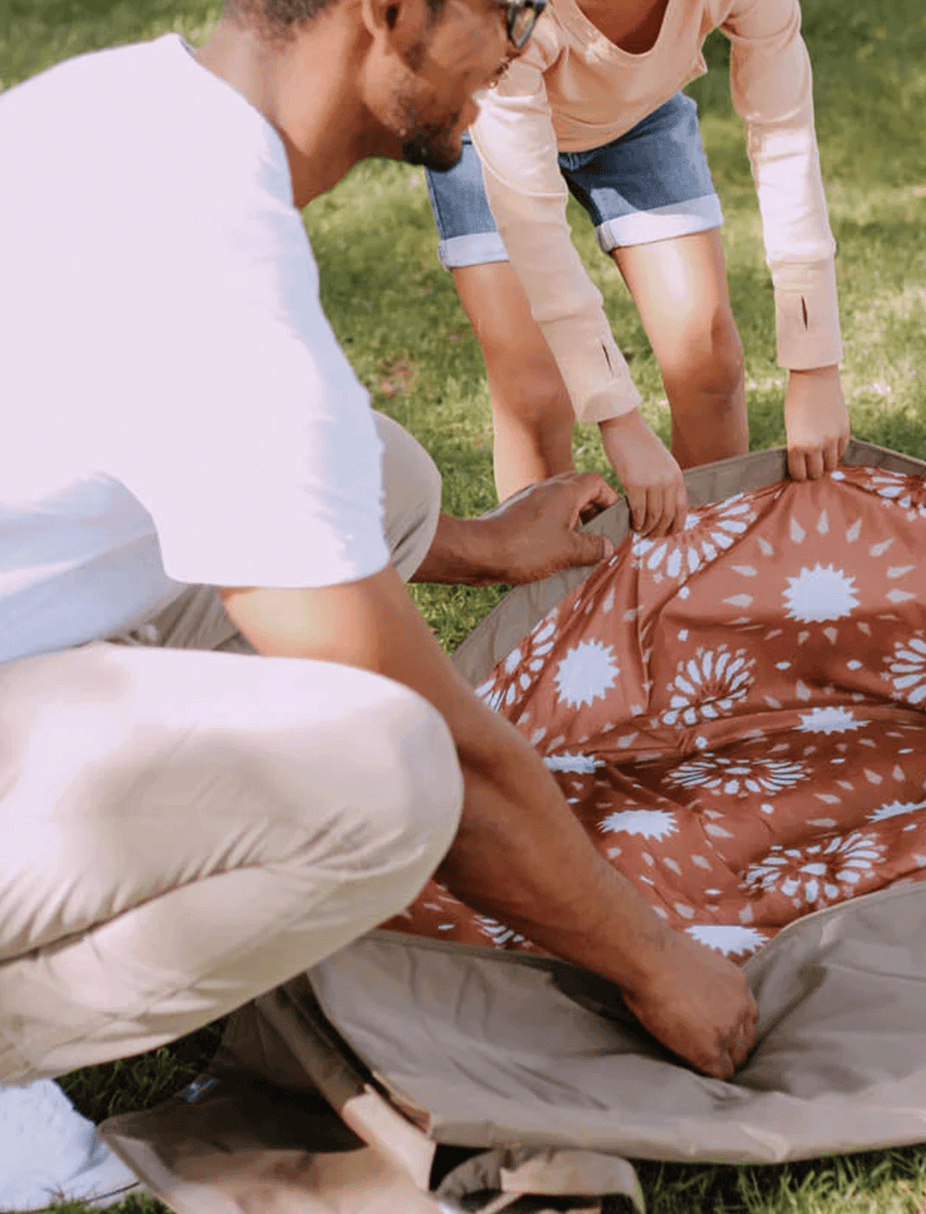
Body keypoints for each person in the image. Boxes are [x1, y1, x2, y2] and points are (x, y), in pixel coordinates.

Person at [0, 0, 756, 1206]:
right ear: (389, 13)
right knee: (388, 774)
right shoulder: (200, 249)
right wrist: (658, 959)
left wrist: (476, 546)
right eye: (508, 11)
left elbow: (222, 485)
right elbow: (437, 735)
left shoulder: (129, 112)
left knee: (384, 473)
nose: (524, 44)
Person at [424, 0, 849, 537]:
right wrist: (617, 417)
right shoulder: (510, 17)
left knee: (707, 360)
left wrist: (815, 367)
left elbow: (784, 135)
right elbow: (530, 218)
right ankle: (550, 609)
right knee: (534, 388)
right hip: (482, 114)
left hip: (635, 115)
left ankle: (698, 584)